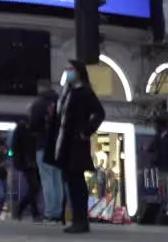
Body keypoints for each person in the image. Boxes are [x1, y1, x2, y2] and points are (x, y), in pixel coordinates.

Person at [46, 60, 106, 234]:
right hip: (64, 144)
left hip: (76, 143)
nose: (68, 72)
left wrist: (85, 131)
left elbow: (99, 113)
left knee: (76, 182)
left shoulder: (85, 92)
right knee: (70, 182)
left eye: (71, 69)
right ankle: (77, 219)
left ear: (79, 72)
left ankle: (81, 220)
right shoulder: (67, 93)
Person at [27, 78, 63, 223]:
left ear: (40, 88)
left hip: (43, 145)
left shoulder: (38, 103)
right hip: (59, 145)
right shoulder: (60, 102)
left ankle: (50, 213)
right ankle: (59, 212)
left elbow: (33, 125)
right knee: (57, 179)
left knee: (47, 179)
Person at [10, 116, 42, 221]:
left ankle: (32, 212)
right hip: (29, 162)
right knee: (34, 187)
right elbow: (17, 147)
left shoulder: (23, 129)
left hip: (30, 162)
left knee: (33, 188)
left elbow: (15, 147)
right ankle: (24, 209)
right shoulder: (24, 129)